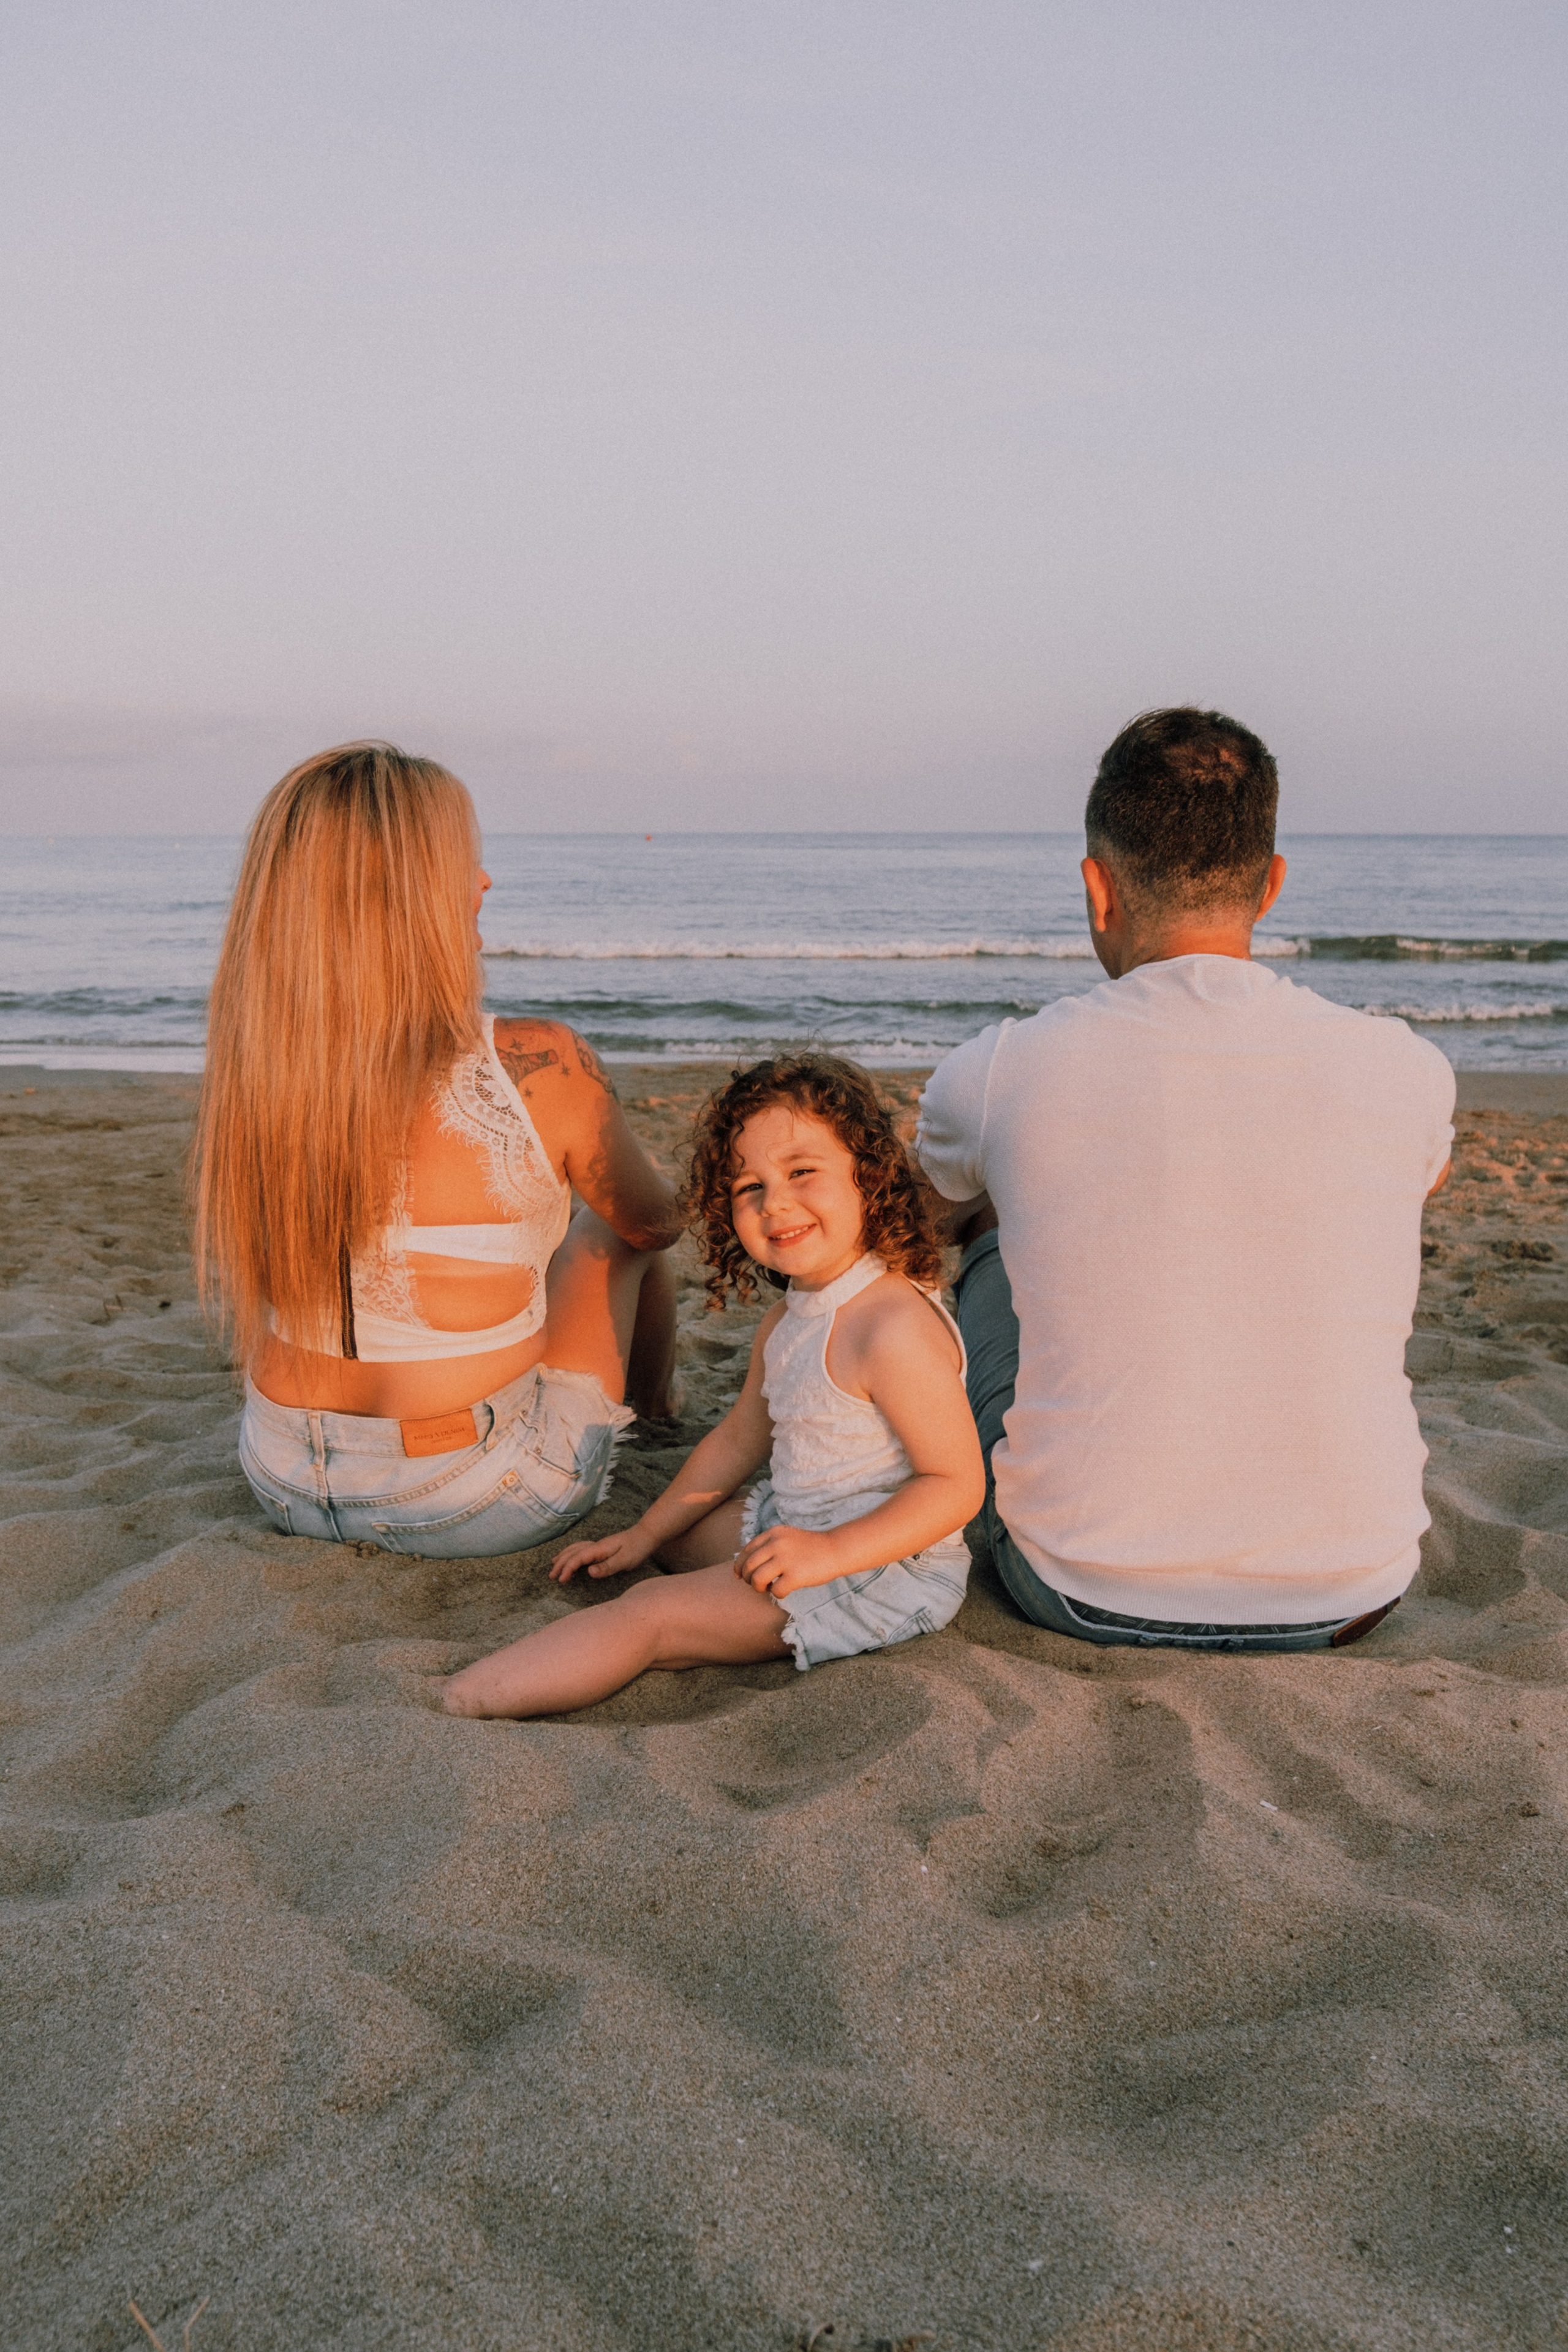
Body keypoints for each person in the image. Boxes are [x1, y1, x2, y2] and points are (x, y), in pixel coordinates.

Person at [916, 707, 1455, 1653]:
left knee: (988, 1251)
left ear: (1097, 887)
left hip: (1076, 1583)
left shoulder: (1000, 1071)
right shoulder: (1404, 1068)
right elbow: (1420, 1179)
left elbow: (906, 1224)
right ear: (1272, 885)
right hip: (1356, 1589)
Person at [192, 742, 682, 1557]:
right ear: (407, 891)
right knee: (611, 1234)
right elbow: (658, 1223)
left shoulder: (261, 1067)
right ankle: (660, 1415)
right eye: (466, 861)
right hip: (468, 1492)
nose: (484, 883)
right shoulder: (538, 1060)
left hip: (280, 1474)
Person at [443, 1054, 984, 1717]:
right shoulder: (789, 1318)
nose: (774, 1201)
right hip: (800, 1523)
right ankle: (699, 1593)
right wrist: (643, 1535)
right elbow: (736, 1441)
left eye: (801, 1172)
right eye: (747, 1186)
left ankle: (457, 1702)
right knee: (670, 1536)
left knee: (648, 1615)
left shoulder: (891, 1327)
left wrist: (828, 1553)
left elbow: (955, 1486)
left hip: (878, 1568)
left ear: (868, 1177)